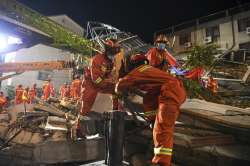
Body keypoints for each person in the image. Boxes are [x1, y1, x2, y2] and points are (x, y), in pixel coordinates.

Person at [115, 53, 186, 166]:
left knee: (162, 129)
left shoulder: (139, 70)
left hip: (171, 92)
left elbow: (120, 85)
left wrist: (118, 90)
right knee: (150, 100)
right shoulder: (150, 71)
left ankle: (161, 163)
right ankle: (153, 121)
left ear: (132, 65)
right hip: (172, 90)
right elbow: (150, 100)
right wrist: (151, 119)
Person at [80, 38, 121, 115]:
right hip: (91, 87)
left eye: (115, 54)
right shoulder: (97, 60)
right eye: (113, 53)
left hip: (101, 87)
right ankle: (80, 127)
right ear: (108, 50)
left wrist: (113, 81)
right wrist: (108, 81)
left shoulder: (111, 61)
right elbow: (96, 80)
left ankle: (114, 114)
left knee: (114, 93)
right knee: (86, 111)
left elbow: (108, 75)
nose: (114, 56)